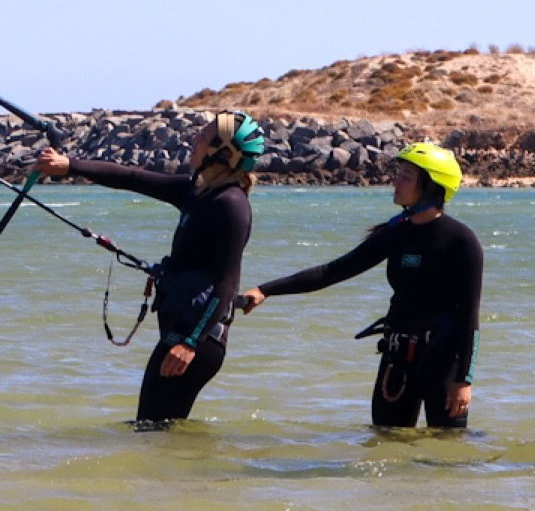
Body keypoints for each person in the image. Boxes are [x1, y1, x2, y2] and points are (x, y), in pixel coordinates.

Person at [36, 112, 266, 427]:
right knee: (160, 436)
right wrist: (70, 165)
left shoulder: (230, 205)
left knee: (148, 431)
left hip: (196, 341)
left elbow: (226, 284)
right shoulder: (197, 191)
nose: (194, 139)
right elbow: (131, 178)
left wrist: (190, 343)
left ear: (223, 153)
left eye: (203, 136)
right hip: (183, 334)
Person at [236, 142, 482, 430]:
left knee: (448, 457)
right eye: (398, 174)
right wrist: (266, 290)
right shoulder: (396, 233)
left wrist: (464, 380)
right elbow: (332, 272)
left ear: (431, 187)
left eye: (406, 177)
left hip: (443, 363)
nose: (396, 182)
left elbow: (469, 318)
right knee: (384, 447)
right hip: (398, 358)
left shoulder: (461, 241)